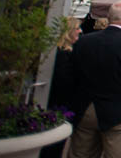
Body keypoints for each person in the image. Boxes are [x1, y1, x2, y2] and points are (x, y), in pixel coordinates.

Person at [69, 1, 121, 158]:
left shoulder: (84, 41)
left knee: (81, 153)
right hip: (120, 112)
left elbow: (73, 75)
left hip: (86, 108)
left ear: (108, 17)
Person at [41, 18, 81, 158]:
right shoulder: (63, 55)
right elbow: (65, 83)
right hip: (59, 106)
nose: (80, 31)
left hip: (59, 104)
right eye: (77, 28)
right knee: (53, 146)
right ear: (68, 31)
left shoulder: (61, 52)